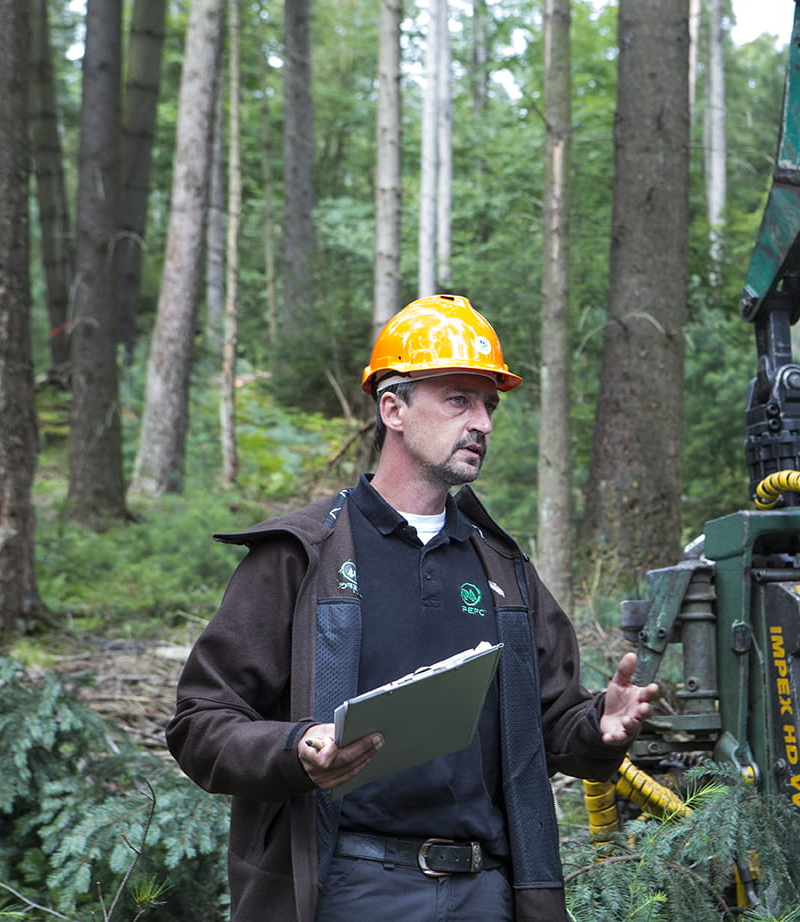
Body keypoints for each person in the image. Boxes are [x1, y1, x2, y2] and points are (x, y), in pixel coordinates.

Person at [167, 294, 659, 922]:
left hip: (486, 891)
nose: (481, 421)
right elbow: (200, 723)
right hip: (342, 886)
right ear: (392, 409)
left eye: (488, 404)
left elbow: (553, 724)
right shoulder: (301, 556)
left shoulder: (502, 569)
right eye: (459, 399)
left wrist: (599, 726)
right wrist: (297, 748)